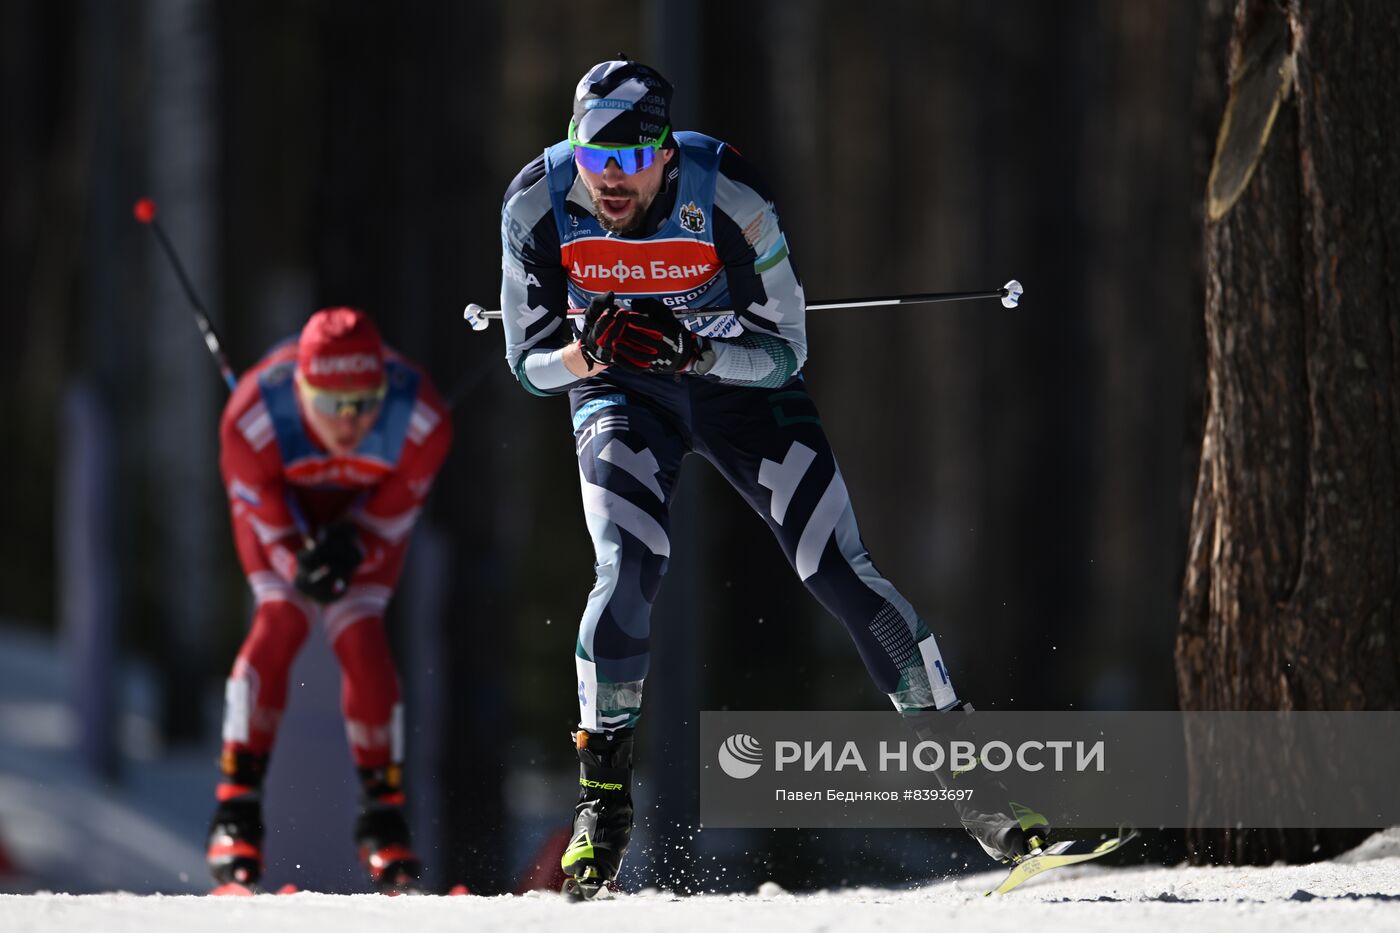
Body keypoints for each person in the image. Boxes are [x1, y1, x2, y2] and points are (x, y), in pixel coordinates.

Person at [498, 59, 1044, 896]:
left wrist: (695, 349)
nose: (611, 179)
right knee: (629, 566)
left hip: (739, 386)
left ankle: (978, 788)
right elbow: (527, 365)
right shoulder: (537, 200)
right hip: (618, 390)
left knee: (835, 567)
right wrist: (590, 350)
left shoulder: (729, 191)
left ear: (666, 154)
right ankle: (602, 811)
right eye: (594, 156)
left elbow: (789, 348)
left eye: (632, 157)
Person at [207, 307, 451, 893]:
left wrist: (356, 542)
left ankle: (383, 817)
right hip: (283, 519)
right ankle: (234, 811)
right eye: (331, 405)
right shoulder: (252, 418)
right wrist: (298, 557)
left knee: (360, 633)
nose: (349, 422)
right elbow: (265, 520)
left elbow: (390, 520)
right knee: (281, 618)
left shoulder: (420, 418)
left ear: (383, 388)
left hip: (363, 520)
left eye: (364, 403)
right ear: (301, 389)